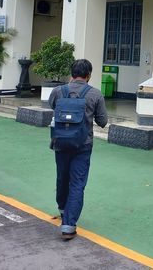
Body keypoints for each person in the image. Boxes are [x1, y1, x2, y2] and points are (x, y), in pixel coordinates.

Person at [48, 59, 108, 240]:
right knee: (77, 183)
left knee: (62, 177)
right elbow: (103, 122)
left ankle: (63, 208)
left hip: (60, 142)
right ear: (89, 75)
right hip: (83, 145)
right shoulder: (95, 94)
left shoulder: (58, 91)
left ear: (71, 74)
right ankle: (68, 225)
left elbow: (52, 107)